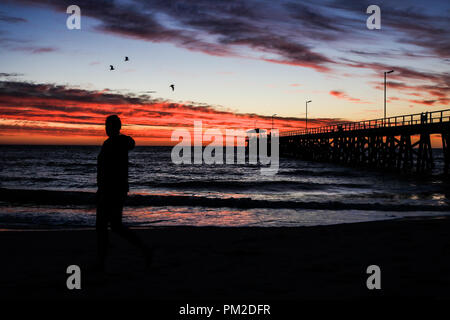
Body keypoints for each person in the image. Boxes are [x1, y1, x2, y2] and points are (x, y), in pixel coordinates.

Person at [96, 115, 152, 272]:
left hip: (113, 190)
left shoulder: (118, 142)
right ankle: (102, 261)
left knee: (108, 226)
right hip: (110, 190)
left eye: (108, 126)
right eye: (106, 125)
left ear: (115, 127)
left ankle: (143, 249)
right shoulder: (110, 143)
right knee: (111, 226)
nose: (106, 128)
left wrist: (103, 189)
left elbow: (130, 143)